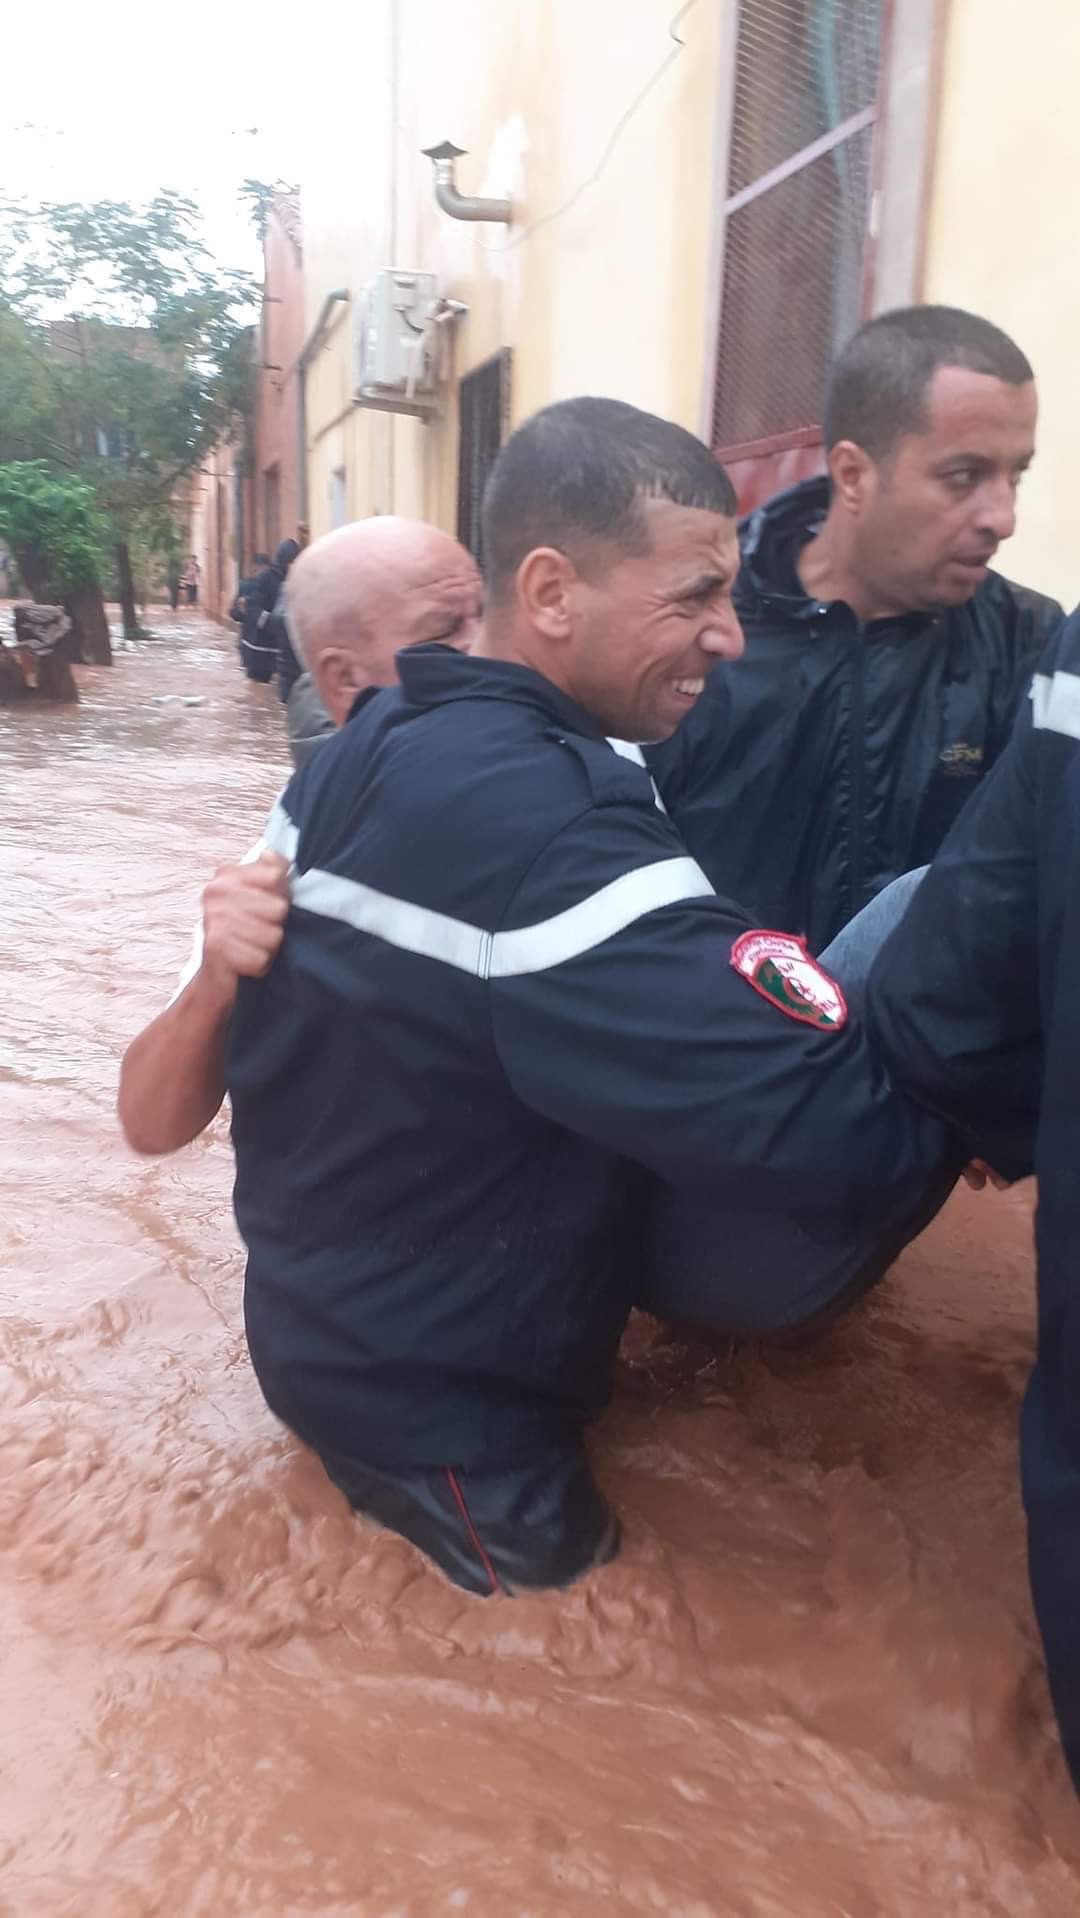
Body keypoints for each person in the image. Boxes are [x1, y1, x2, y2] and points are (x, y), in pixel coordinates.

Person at [135, 397, 957, 1599]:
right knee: (588, 1643)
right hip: (443, 1415)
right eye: (694, 599)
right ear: (555, 595)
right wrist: (975, 1080)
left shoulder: (361, 754)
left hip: (329, 1319)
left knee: (897, 933)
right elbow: (848, 1148)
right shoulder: (553, 828)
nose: (731, 639)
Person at [646, 306, 1062, 952]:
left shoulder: (1031, 644)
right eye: (965, 477)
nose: (1003, 517)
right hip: (714, 1040)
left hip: (920, 1049)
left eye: (1017, 475)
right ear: (852, 474)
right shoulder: (698, 631)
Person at [864, 607, 1080, 1795]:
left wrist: (1014, 1121)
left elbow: (943, 988)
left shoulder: (1050, 650)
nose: (997, 513)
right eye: (964, 474)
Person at [118, 516, 482, 1156]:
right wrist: (215, 979)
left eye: (488, 616)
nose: (490, 649)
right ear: (343, 679)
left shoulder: (584, 794)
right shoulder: (283, 865)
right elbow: (151, 1124)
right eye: (449, 629)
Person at [239, 539, 299, 683]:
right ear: (285, 560)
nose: (295, 565)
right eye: (292, 561)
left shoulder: (297, 579)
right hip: (260, 650)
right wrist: (271, 621)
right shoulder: (265, 579)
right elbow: (251, 607)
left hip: (283, 650)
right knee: (259, 688)